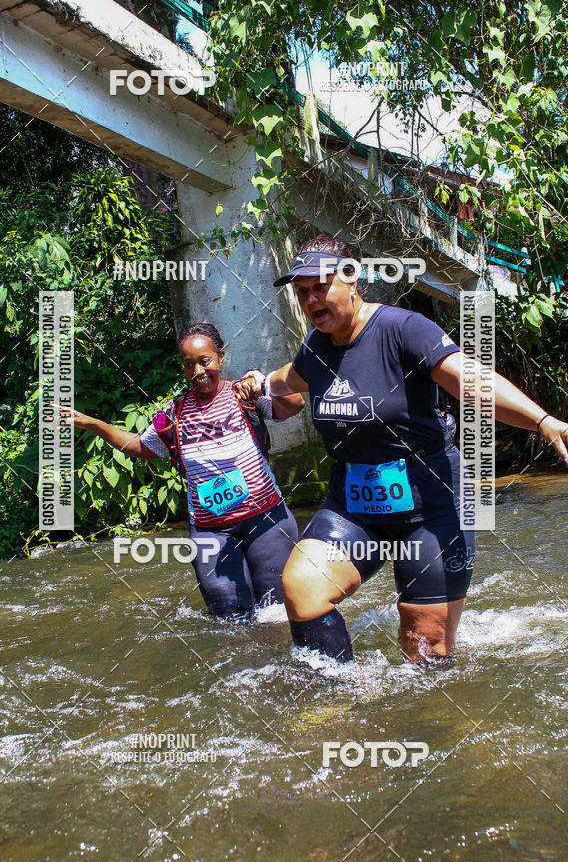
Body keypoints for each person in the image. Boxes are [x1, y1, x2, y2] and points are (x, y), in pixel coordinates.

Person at [237, 235, 568, 663]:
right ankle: (335, 700)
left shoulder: (402, 329)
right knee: (303, 587)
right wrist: (259, 383)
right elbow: (289, 378)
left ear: (351, 279)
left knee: (424, 648)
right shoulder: (315, 349)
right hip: (353, 505)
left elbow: (470, 379)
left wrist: (542, 421)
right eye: (303, 293)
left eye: (320, 286)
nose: (311, 299)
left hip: (430, 502)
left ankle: (424, 717)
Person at [57, 322, 305, 619]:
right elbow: (140, 447)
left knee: (279, 614)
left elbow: (295, 404)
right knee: (230, 622)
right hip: (211, 532)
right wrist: (92, 423)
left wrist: (263, 383)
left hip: (267, 522)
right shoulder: (172, 415)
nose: (198, 371)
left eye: (205, 361)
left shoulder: (244, 395)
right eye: (189, 365)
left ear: (221, 356)